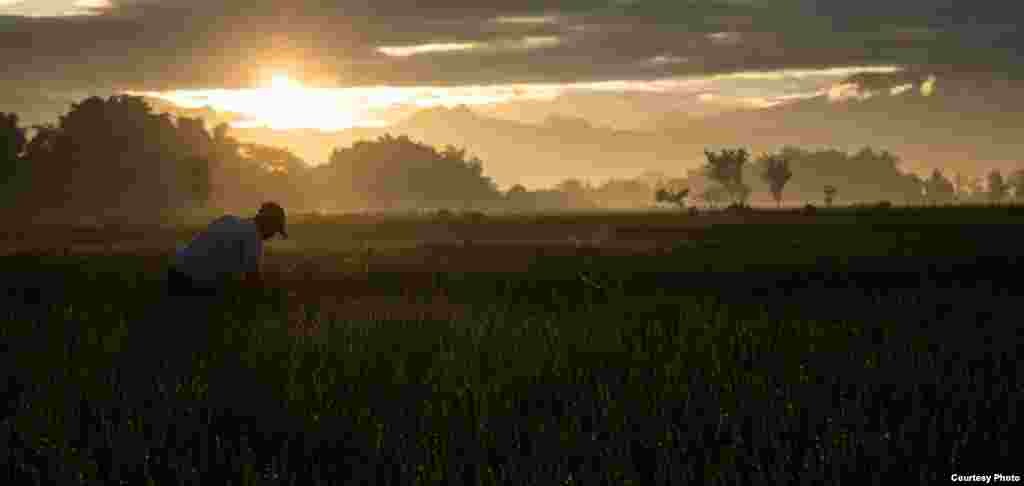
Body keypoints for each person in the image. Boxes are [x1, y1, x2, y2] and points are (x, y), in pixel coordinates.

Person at [167, 202, 288, 297]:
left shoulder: (228, 220)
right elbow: (253, 282)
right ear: (268, 224)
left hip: (175, 273)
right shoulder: (252, 237)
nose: (272, 236)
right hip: (190, 284)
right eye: (274, 230)